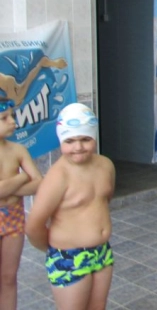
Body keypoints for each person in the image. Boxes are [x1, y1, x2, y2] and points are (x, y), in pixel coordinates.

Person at [26, 103, 114, 310]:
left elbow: (103, 200)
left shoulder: (105, 165)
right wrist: (54, 250)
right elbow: (34, 225)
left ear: (94, 137)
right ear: (61, 140)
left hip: (101, 252)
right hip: (68, 256)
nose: (78, 147)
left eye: (85, 139)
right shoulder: (58, 177)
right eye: (70, 141)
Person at [0, 97, 42, 310]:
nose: (12, 122)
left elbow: (39, 183)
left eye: (12, 116)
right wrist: (22, 178)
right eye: (4, 118)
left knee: (9, 277)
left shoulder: (18, 150)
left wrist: (7, 188)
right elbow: (30, 180)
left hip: (14, 217)